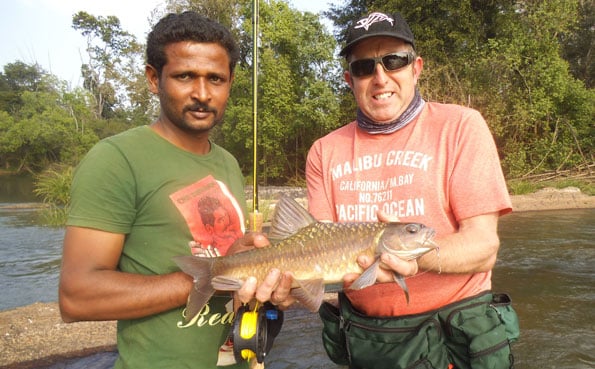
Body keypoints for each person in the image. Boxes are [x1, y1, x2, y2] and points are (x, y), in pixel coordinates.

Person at [59, 11, 293, 369]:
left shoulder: (227, 163)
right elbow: (77, 296)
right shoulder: (117, 159)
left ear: (230, 82)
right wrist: (210, 276)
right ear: (154, 79)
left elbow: (218, 252)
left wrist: (247, 261)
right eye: (185, 76)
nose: (202, 93)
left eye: (216, 79)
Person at [306, 11, 519, 369]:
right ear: (349, 78)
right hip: (367, 340)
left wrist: (405, 254)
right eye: (364, 68)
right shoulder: (322, 151)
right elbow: (315, 251)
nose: (380, 78)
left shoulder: (462, 126)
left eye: (393, 61)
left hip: (454, 336)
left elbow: (484, 248)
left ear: (416, 67)